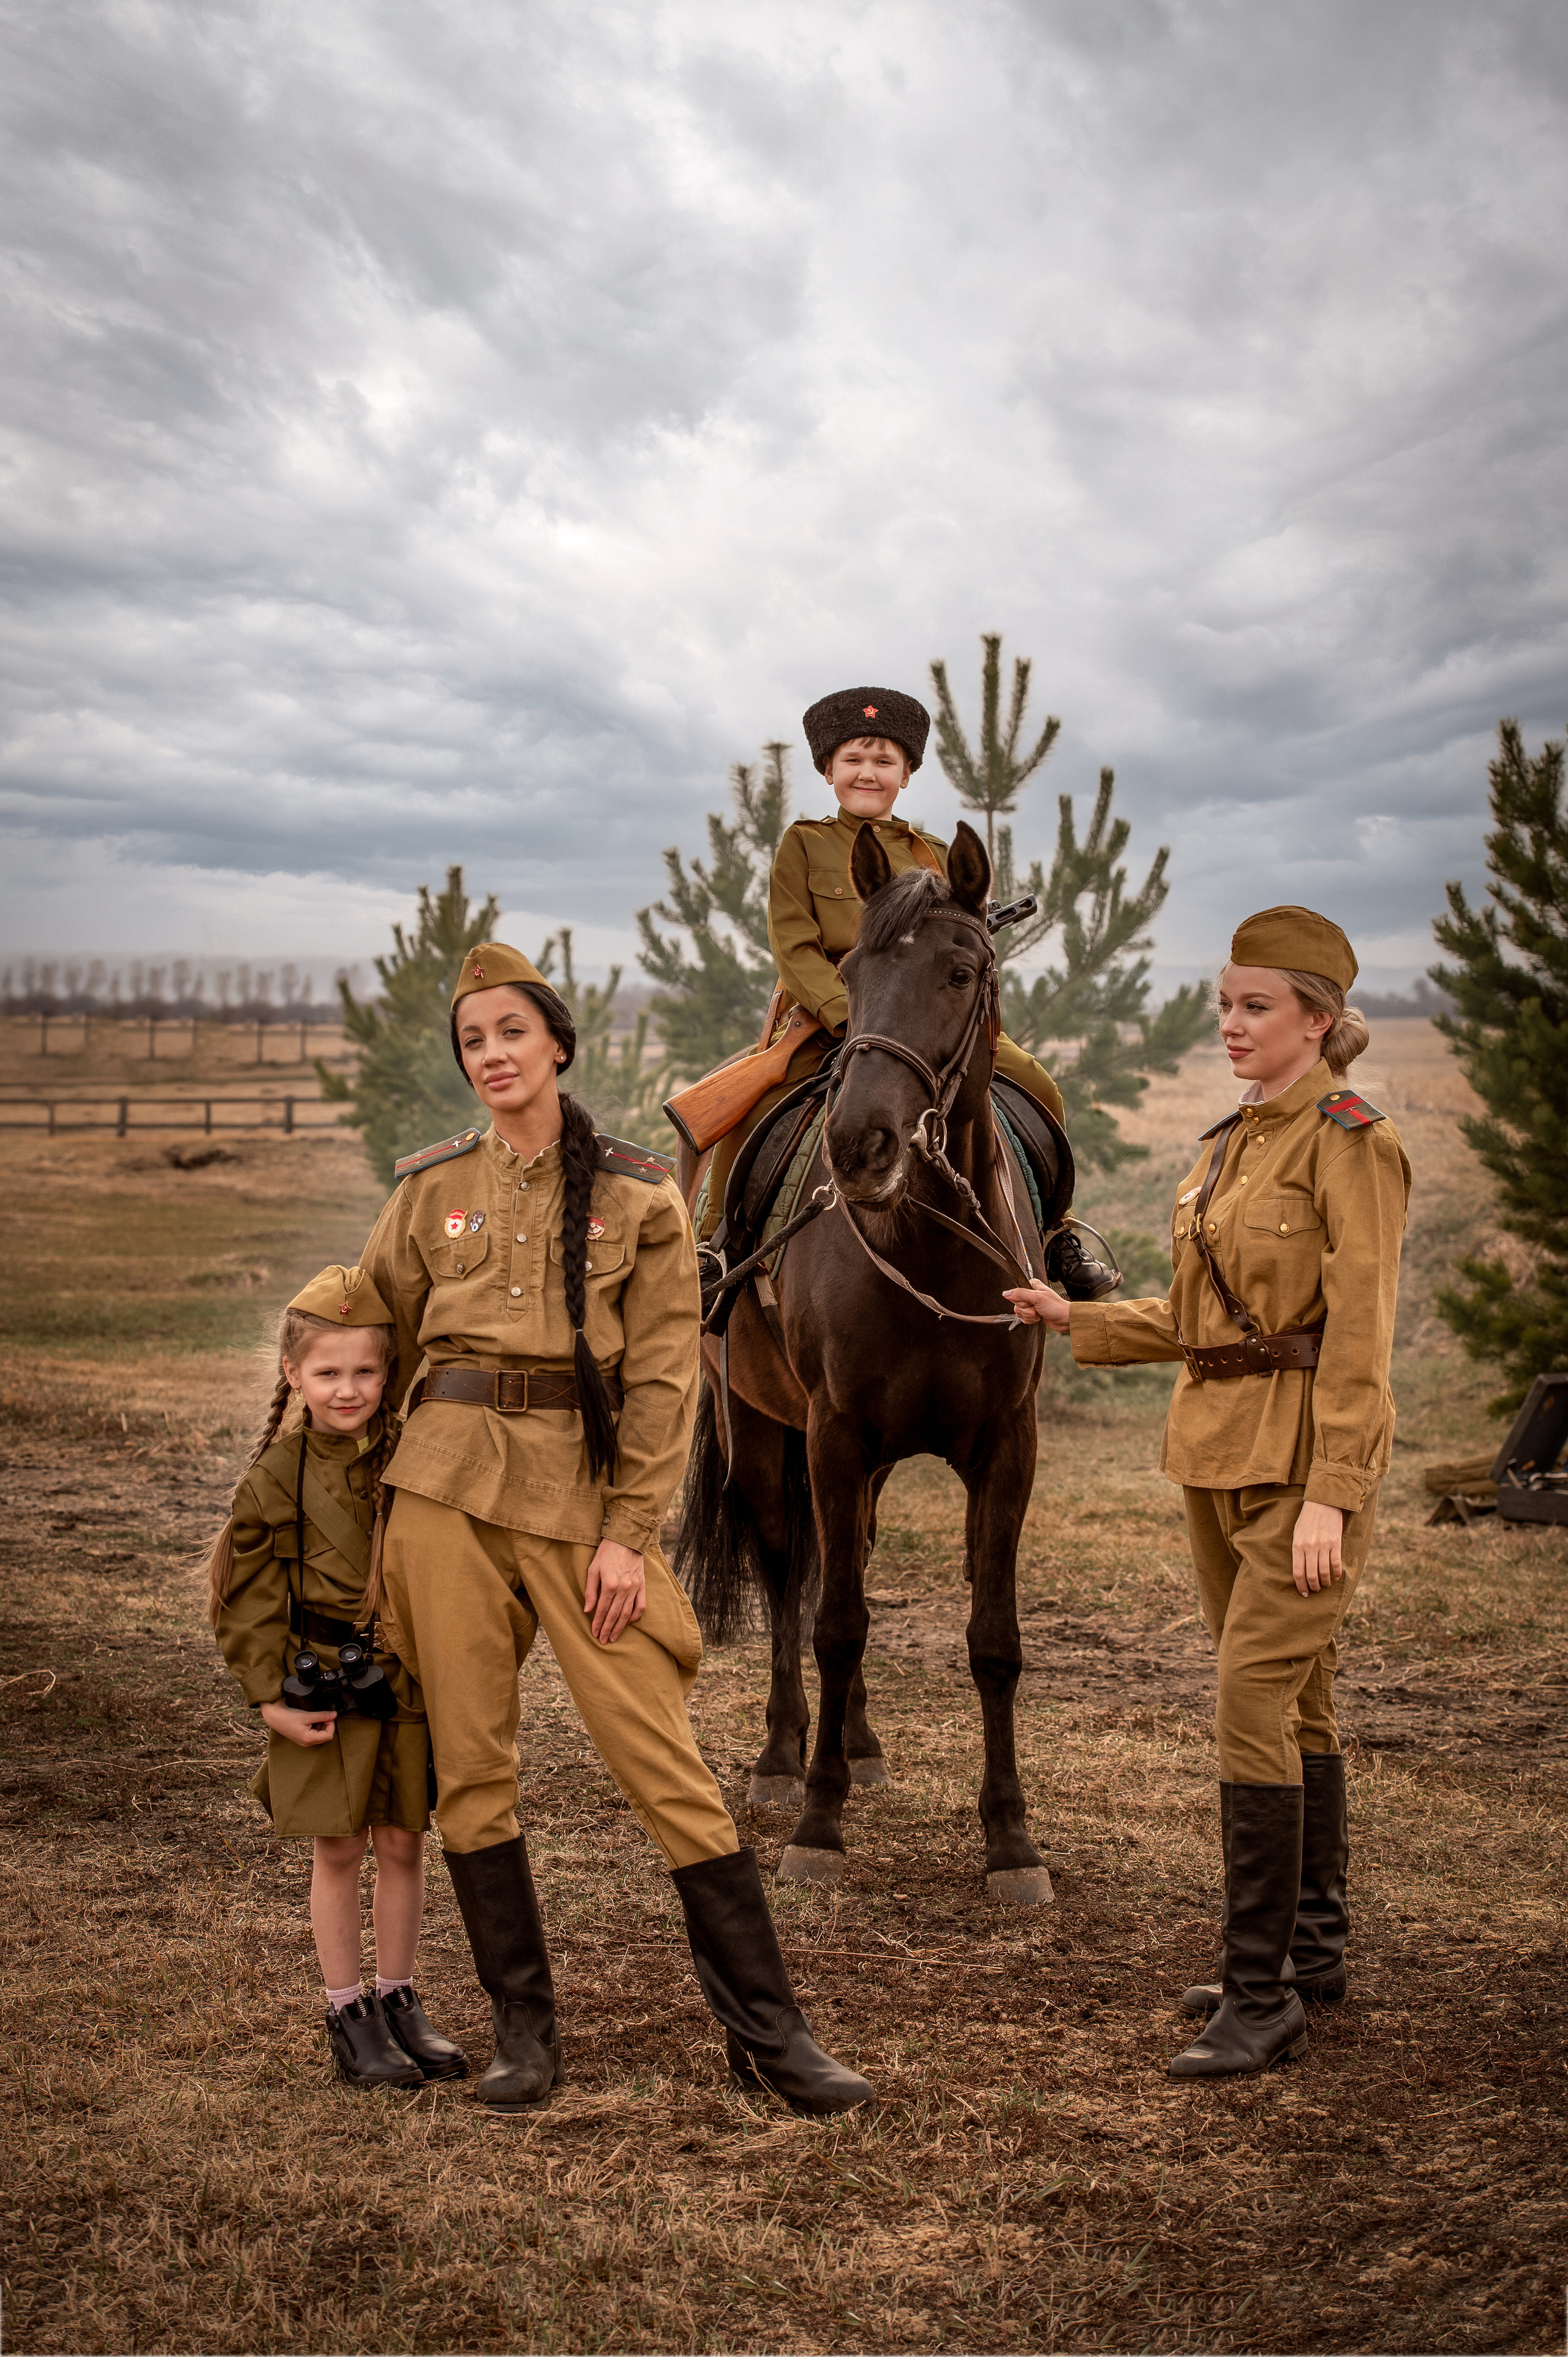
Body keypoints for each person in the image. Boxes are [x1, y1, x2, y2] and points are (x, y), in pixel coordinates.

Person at [356, 940, 873, 2118]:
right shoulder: (428, 1189)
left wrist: (628, 1534)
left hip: (580, 1506)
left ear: (559, 1046)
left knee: (667, 1765)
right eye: (473, 1041)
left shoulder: (641, 1194)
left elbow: (661, 1388)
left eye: (511, 1034)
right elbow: (373, 1329)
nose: (491, 1055)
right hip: (441, 1492)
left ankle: (772, 2035)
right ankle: (522, 2032)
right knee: (475, 1771)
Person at [1005, 906, 1411, 2078]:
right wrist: (1071, 1315)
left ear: (1318, 1023)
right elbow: (1201, 1320)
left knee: (1248, 1699)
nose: (1229, 1024)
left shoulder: (1350, 1141)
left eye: (1255, 1007)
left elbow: (1362, 1341)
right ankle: (1310, 1953)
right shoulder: (1233, 1139)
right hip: (1215, 1451)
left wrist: (1336, 1491)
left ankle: (1258, 1993)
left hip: (1298, 1468)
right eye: (1224, 1002)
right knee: (1302, 1703)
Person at [698, 684, 1113, 1297]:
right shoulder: (805, 843)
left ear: (907, 774)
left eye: (884, 762)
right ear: (829, 770)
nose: (869, 773)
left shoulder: (936, 853)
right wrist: (848, 1013)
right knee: (753, 1112)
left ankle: (1054, 1234)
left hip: (923, 1015)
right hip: (831, 1015)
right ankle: (719, 1243)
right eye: (854, 761)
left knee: (1041, 1087)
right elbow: (794, 945)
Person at [206, 1268, 465, 2090]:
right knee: (340, 1847)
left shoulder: (409, 1451)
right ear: (294, 1374)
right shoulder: (277, 1477)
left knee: (402, 1842)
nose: (347, 1388)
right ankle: (347, 2009)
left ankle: (398, 1998)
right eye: (328, 1371)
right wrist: (270, 1697)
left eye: (365, 1370)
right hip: (321, 1683)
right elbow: (247, 1601)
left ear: (389, 1372)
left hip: (406, 1679)